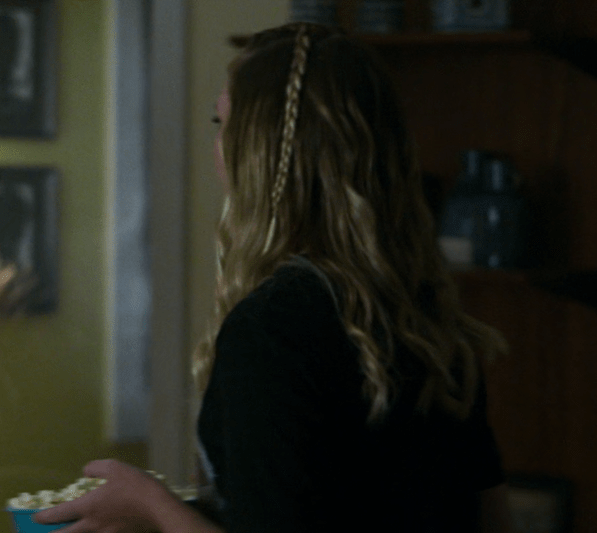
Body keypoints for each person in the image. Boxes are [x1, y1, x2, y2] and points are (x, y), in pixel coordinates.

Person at [34, 22, 511, 532]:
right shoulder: (425, 318)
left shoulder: (272, 327)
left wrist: (152, 507)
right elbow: (491, 518)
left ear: (260, 156)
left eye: (222, 123)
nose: (217, 145)